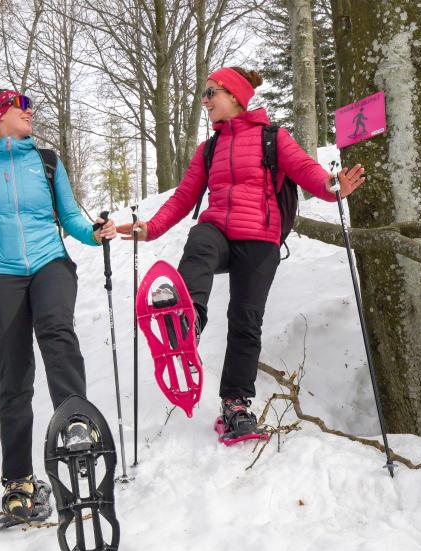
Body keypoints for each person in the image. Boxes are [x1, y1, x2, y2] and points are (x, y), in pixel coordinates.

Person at [118, 67, 365, 441]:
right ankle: (188, 320)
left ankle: (235, 404)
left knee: (246, 320)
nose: (205, 100)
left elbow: (304, 169)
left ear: (234, 96)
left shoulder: (272, 137)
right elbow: (185, 197)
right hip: (218, 230)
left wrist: (333, 187)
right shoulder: (210, 148)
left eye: (210, 92)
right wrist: (150, 228)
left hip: (259, 239)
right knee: (200, 239)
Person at [0, 88, 116, 522]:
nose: (30, 114)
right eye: (22, 108)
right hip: (1, 273)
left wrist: (95, 233)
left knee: (56, 332)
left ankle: (76, 424)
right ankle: (18, 482)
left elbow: (70, 218)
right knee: (14, 376)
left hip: (50, 261)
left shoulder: (47, 161)